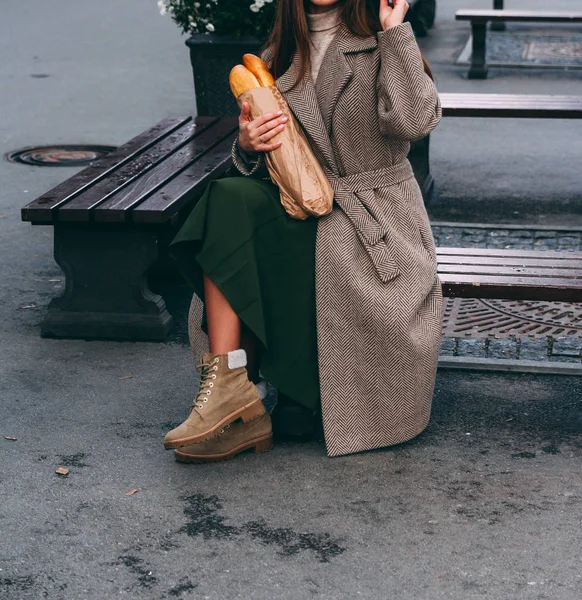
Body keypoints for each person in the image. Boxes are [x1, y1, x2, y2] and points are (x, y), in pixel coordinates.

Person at [164, 0, 443, 462]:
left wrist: (396, 30)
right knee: (228, 198)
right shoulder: (277, 55)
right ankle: (229, 387)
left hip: (373, 219)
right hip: (306, 210)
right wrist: (248, 145)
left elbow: (414, 122)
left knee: (322, 244)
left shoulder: (382, 39)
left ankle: (297, 391)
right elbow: (273, 168)